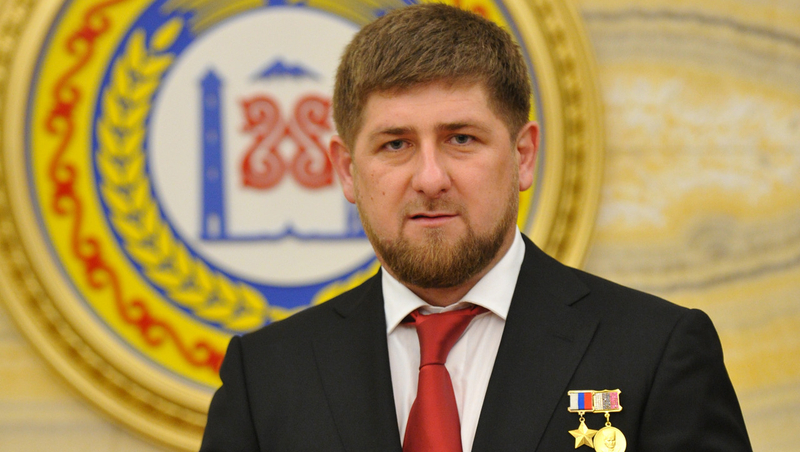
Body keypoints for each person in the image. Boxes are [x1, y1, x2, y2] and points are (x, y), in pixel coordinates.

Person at [200, 4, 752, 451]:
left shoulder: (657, 351)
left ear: (523, 155)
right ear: (347, 170)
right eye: (395, 144)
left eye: (461, 138)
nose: (430, 178)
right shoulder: (265, 376)